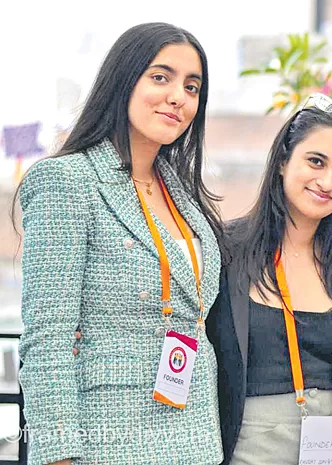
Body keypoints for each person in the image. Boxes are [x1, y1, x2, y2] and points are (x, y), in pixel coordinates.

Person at [17, 23, 224, 465]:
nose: (178, 97)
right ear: (122, 79)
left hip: (196, 436)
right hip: (107, 441)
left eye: (192, 87)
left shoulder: (183, 194)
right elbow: (46, 338)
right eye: (160, 77)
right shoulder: (66, 181)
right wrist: (59, 455)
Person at [205, 93, 332, 465]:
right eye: (315, 161)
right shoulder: (223, 251)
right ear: (284, 161)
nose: (327, 181)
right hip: (247, 450)